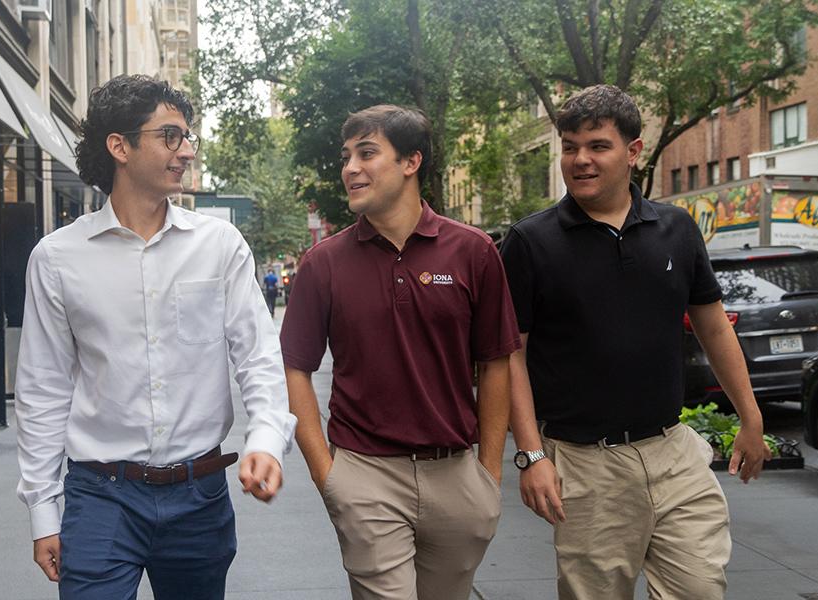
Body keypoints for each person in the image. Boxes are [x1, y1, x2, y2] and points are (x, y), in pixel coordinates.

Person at [15, 74, 296, 600]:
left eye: (187, 137)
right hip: (100, 496)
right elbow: (42, 389)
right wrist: (42, 510)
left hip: (201, 493)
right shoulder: (57, 258)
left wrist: (266, 440)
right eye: (170, 136)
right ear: (119, 146)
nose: (186, 150)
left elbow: (257, 356)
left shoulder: (220, 245)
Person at [499, 84, 771, 600]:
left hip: (673, 452)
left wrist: (751, 417)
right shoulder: (531, 242)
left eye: (597, 145)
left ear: (633, 151)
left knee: (700, 588)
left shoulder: (676, 228)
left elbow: (713, 327)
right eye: (570, 145)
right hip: (584, 462)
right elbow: (511, 354)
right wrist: (532, 456)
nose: (580, 160)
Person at [280, 104, 520, 600]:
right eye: (346, 156)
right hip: (365, 475)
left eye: (367, 153)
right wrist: (329, 478)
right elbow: (294, 369)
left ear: (411, 162)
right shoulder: (322, 263)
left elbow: (496, 362)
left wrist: (488, 475)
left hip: (457, 475)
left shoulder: (474, 252)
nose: (350, 168)